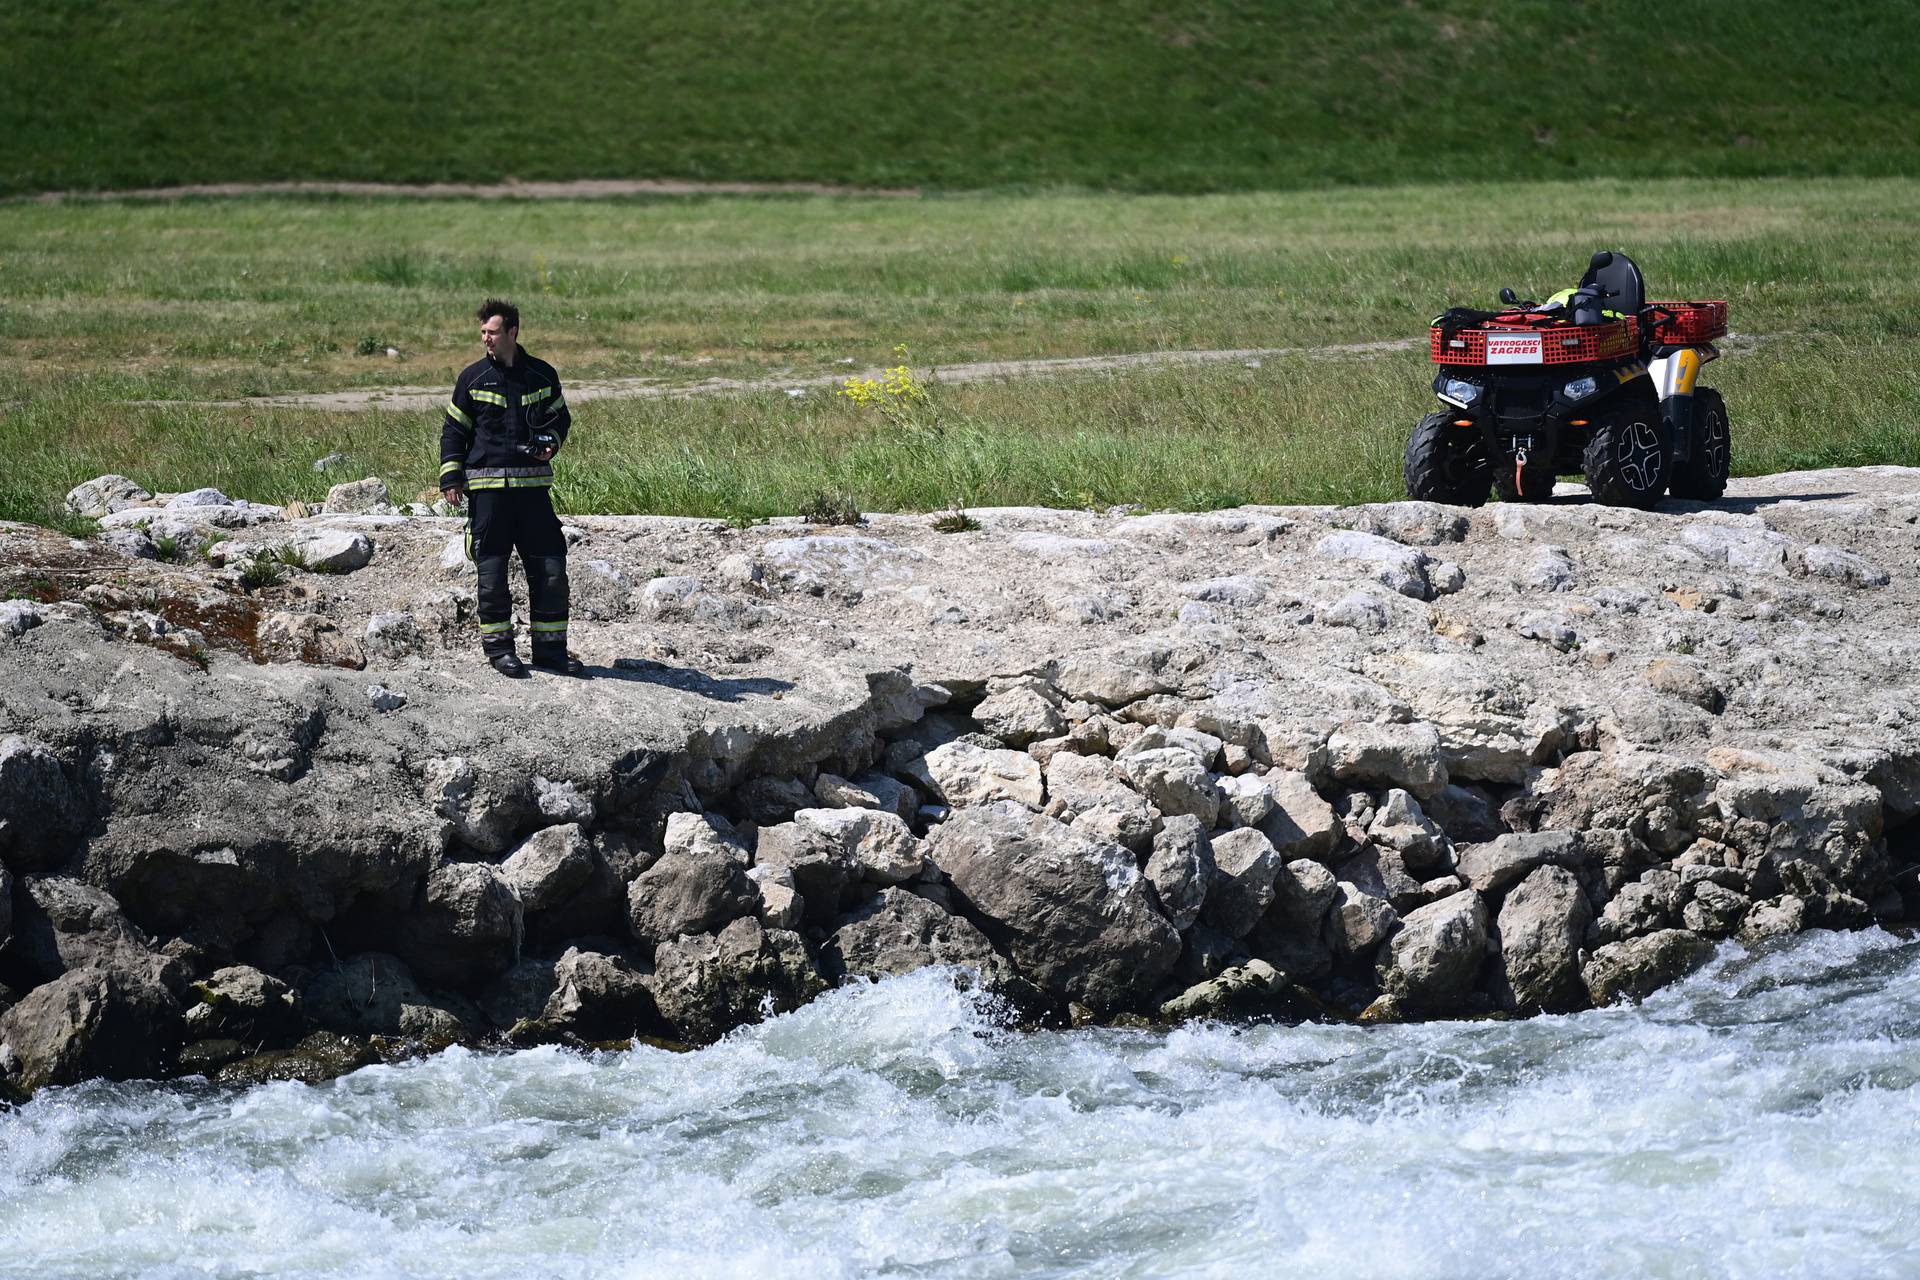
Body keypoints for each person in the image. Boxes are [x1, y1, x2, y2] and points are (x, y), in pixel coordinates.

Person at [438, 298, 585, 678]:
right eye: (483, 332)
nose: (486, 339)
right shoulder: (471, 379)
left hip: (533, 493)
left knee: (551, 569)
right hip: (488, 496)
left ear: (513, 332)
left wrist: (551, 442)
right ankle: (500, 651)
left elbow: (560, 418)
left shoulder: (541, 374)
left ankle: (551, 652)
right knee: (492, 575)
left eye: (493, 332)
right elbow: (454, 431)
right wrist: (451, 478)